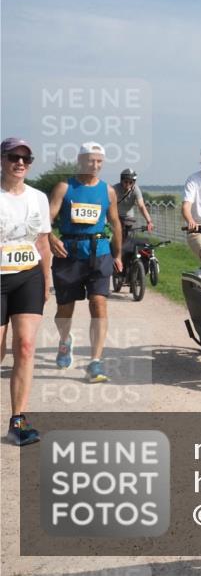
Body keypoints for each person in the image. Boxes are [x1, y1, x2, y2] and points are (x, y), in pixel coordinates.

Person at [48, 142, 123, 383]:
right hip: (68, 254)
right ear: (80, 161)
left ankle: (95, 362)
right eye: (91, 160)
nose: (95, 165)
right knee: (65, 309)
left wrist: (118, 254)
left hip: (99, 253)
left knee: (98, 304)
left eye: (100, 161)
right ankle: (64, 341)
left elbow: (115, 223)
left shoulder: (108, 191)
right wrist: (50, 237)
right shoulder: (64, 187)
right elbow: (46, 219)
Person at [0, 138, 52, 445]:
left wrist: (46, 280)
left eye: (26, 158)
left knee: (26, 346)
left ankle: (18, 421)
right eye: (13, 157)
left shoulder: (38, 198)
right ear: (2, 160)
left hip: (28, 276)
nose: (20, 162)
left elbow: (42, 242)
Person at [112, 168, 153, 255]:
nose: (128, 184)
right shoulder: (114, 189)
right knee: (115, 239)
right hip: (116, 216)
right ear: (121, 180)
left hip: (129, 218)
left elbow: (141, 206)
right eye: (126, 182)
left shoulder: (135, 190)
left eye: (131, 182)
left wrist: (149, 221)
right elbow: (107, 205)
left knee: (130, 240)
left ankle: (131, 261)